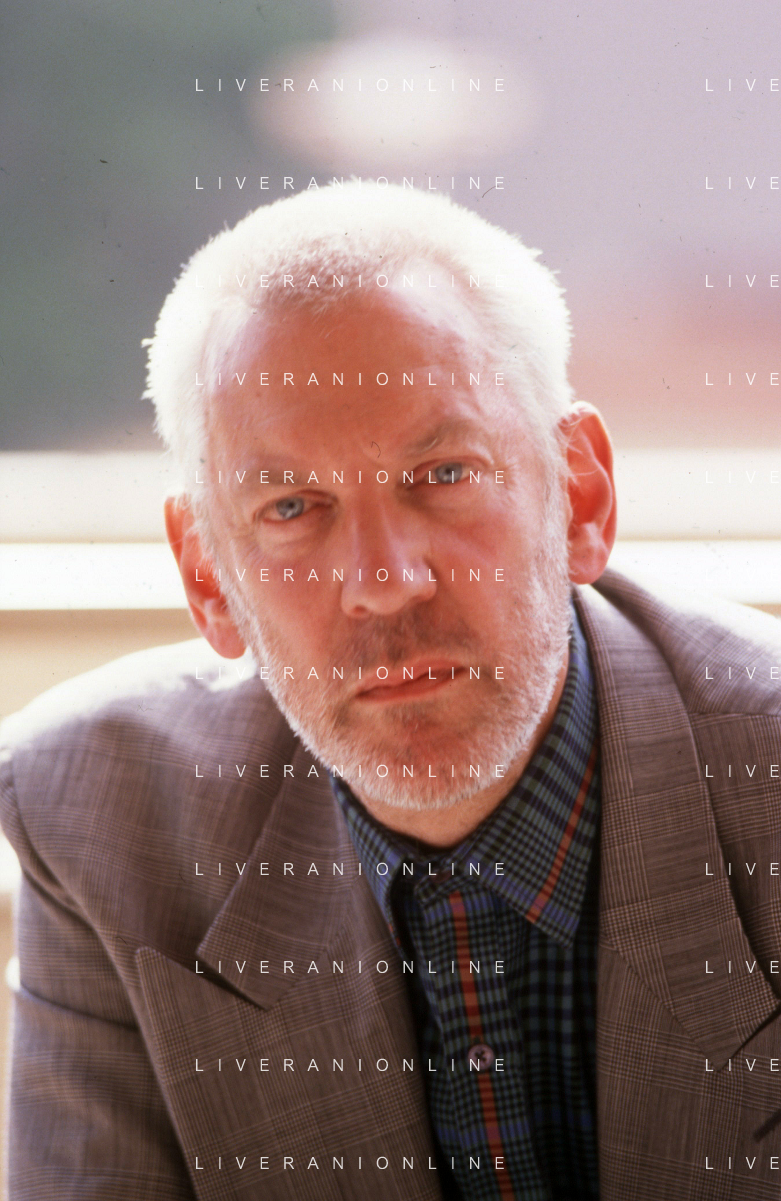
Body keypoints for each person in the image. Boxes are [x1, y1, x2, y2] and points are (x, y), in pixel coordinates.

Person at [1, 184, 779, 1201]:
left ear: (579, 495)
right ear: (207, 575)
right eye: (292, 505)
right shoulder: (97, 817)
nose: (383, 581)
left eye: (443, 474)